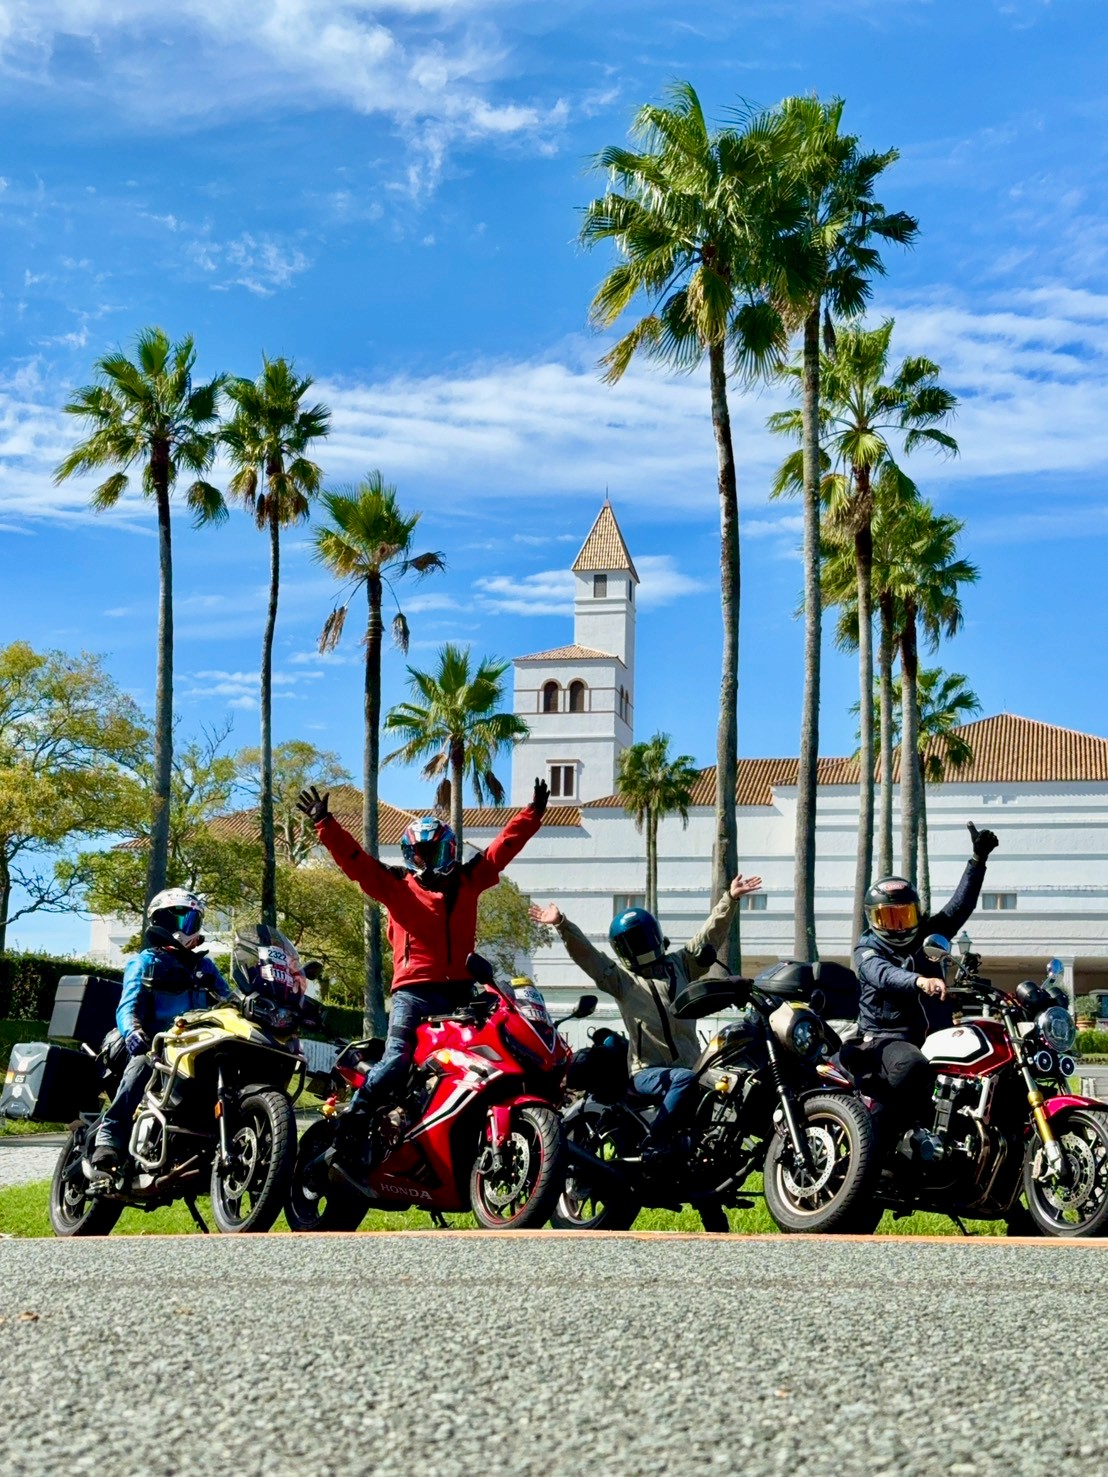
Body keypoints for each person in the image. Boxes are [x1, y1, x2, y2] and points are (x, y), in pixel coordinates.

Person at [295, 779, 549, 1156]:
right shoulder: (397, 885)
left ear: (449, 849)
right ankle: (356, 1116)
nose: (424, 861)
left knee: (489, 1055)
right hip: (413, 993)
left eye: (431, 852)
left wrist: (533, 815)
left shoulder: (469, 879)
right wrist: (325, 824)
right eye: (417, 854)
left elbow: (501, 850)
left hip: (463, 992)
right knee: (398, 1057)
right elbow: (356, 862)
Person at [529, 874, 762, 1186]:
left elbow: (709, 936)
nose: (636, 947)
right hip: (648, 1072)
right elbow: (590, 958)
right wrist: (562, 924)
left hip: (692, 1069)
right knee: (684, 1079)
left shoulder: (680, 965)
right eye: (628, 943)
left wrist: (729, 900)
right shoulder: (623, 981)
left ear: (654, 935)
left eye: (639, 938)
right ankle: (654, 1141)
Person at [850, 820, 999, 1160]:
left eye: (904, 916)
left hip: (937, 1038)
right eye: (889, 918)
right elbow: (884, 975)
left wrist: (977, 861)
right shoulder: (867, 950)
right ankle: (875, 1146)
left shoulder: (927, 937)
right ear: (874, 919)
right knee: (913, 1066)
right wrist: (920, 981)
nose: (898, 925)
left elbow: (959, 908)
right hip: (884, 1040)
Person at [90, 888, 230, 1171]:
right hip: (154, 1045)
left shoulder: (206, 967)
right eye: (178, 920)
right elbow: (128, 1005)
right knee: (142, 1065)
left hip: (196, 1045)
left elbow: (229, 1001)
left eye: (191, 921)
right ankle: (109, 1137)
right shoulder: (145, 961)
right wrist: (133, 1032)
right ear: (160, 921)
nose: (185, 928)